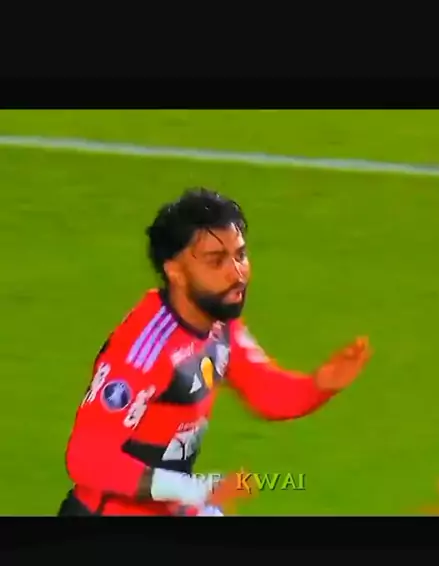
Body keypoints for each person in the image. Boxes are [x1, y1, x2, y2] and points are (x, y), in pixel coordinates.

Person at [58, 188, 371, 516]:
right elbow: (87, 459)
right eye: (216, 261)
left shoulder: (218, 322)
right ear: (175, 272)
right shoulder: (146, 350)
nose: (237, 273)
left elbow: (265, 391)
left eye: (240, 255)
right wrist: (192, 489)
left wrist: (319, 385)